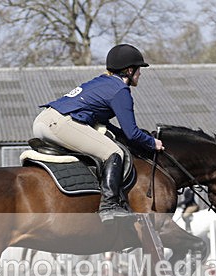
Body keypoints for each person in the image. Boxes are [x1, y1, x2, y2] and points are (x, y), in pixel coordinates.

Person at [33, 43, 165, 222]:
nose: (140, 73)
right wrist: (152, 142)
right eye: (139, 69)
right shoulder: (120, 90)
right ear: (129, 70)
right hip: (60, 123)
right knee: (114, 152)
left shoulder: (103, 82)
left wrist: (127, 136)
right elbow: (132, 133)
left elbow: (106, 125)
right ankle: (109, 205)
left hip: (44, 120)